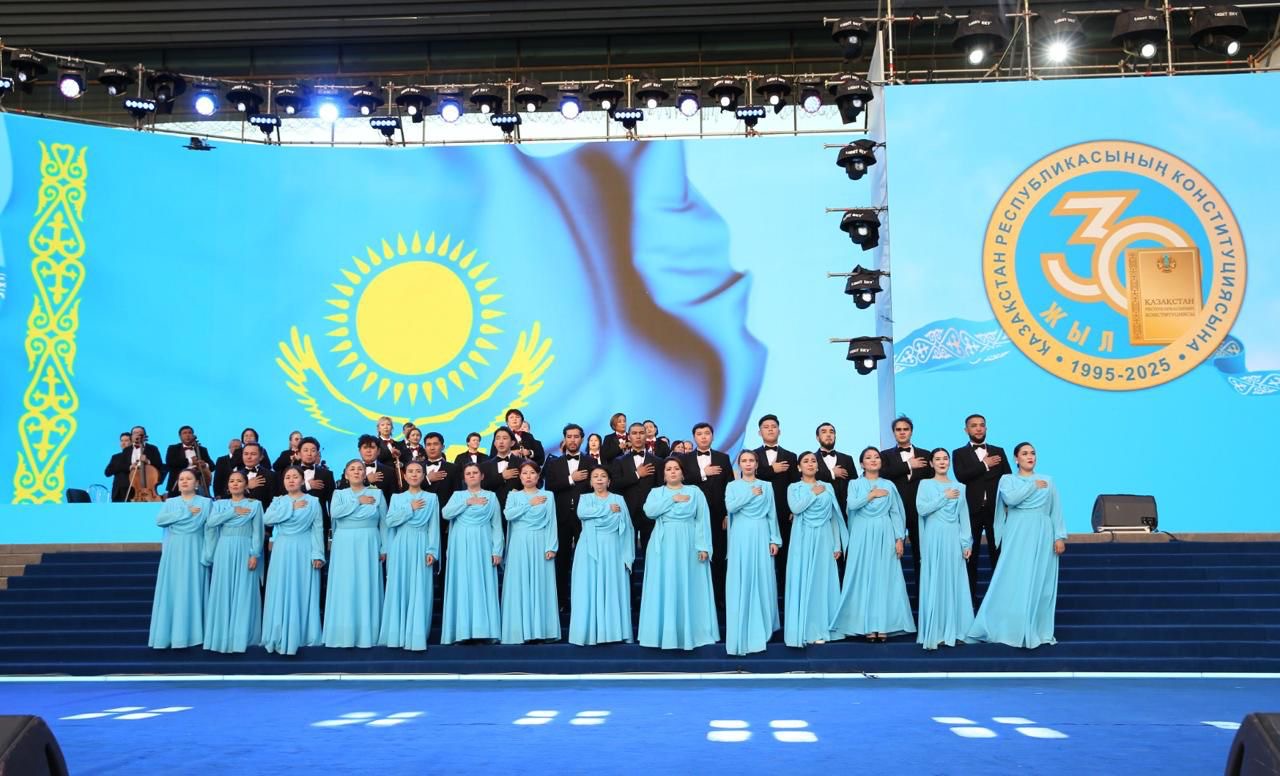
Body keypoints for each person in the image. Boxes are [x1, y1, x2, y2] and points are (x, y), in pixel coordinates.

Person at [968, 443, 1067, 649]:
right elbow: (1011, 500)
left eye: (1033, 453)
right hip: (1017, 531)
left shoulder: (1049, 480)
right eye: (1025, 453)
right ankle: (1008, 628)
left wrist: (1058, 537)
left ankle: (1036, 629)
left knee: (1040, 580)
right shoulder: (1007, 480)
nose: (1030, 456)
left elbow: (1055, 510)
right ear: (1016, 458)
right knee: (1014, 576)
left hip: (1042, 532)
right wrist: (1032, 486)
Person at [831, 448, 915, 642]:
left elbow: (896, 512)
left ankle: (883, 625)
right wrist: (872, 495)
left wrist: (899, 538)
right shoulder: (855, 484)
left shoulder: (889, 485)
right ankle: (866, 626)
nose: (873, 460)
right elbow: (852, 505)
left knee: (884, 578)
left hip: (885, 533)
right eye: (868, 458)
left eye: (876, 457)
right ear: (862, 464)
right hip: (861, 533)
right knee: (862, 577)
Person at [638, 459, 719, 650]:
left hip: (689, 543)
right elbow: (649, 511)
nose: (673, 472)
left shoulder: (695, 492)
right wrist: (672, 499)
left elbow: (702, 519)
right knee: (664, 584)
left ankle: (691, 632)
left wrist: (703, 547)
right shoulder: (656, 492)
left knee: (689, 584)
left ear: (683, 473)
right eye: (669, 469)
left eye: (676, 469)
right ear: (664, 474)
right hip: (662, 544)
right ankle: (663, 634)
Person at [784, 452, 847, 647]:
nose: (810, 464)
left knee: (822, 581)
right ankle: (806, 630)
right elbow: (796, 508)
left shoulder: (828, 486)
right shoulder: (793, 487)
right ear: (799, 467)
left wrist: (837, 544)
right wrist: (813, 493)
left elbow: (833, 516)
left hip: (825, 537)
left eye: (813, 461)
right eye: (806, 461)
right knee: (804, 580)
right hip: (802, 538)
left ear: (818, 466)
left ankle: (826, 627)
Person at [261, 466, 325, 655]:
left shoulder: (313, 502)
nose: (291, 480)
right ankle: (279, 634)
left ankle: (303, 634)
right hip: (282, 549)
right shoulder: (278, 501)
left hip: (304, 548)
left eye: (295, 477)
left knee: (301, 588)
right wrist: (291, 507)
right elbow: (267, 519)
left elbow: (317, 528)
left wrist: (318, 554)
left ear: (302, 480)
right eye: (287, 477)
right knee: (281, 588)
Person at [324, 459, 388, 648]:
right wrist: (358, 501)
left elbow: (384, 523)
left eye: (360, 469)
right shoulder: (339, 494)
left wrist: (385, 547)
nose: (356, 472)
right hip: (344, 543)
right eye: (352, 469)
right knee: (345, 585)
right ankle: (343, 633)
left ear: (365, 473)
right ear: (346, 474)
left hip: (369, 542)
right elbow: (335, 513)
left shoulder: (377, 493)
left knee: (366, 583)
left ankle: (367, 633)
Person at [915, 448, 974, 650]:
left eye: (945, 459)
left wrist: (966, 543)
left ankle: (957, 630)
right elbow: (922, 509)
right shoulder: (925, 484)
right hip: (933, 537)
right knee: (936, 580)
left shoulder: (960, 487)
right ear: (931, 463)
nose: (942, 462)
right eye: (938, 459)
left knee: (954, 580)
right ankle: (936, 631)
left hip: (953, 537)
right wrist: (944, 497)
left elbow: (964, 516)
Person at [724, 450, 782, 656]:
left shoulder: (767, 486)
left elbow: (771, 514)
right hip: (740, 534)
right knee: (742, 578)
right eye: (744, 461)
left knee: (763, 577)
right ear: (739, 464)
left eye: (751, 460)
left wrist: (774, 539)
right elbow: (731, 507)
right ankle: (743, 626)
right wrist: (750, 494)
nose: (748, 464)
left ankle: (765, 626)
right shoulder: (732, 486)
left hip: (761, 532)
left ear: (757, 464)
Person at [379, 461, 441, 652]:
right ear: (404, 476)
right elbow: (390, 521)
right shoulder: (397, 498)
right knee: (400, 586)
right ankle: (396, 634)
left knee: (420, 587)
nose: (414, 474)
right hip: (400, 544)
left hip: (421, 543)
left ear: (423, 475)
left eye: (418, 471)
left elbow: (434, 526)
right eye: (410, 471)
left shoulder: (432, 498)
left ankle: (416, 635)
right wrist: (409, 508)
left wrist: (432, 550)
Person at [570, 467, 635, 646]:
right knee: (589, 587)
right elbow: (582, 513)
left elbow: (628, 527)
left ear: (609, 481)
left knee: (612, 587)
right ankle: (589, 633)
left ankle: (614, 632)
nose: (599, 479)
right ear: (591, 482)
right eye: (595, 477)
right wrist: (607, 509)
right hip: (589, 549)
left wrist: (627, 555)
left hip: (614, 549)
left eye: (603, 476)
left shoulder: (619, 499)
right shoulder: (585, 499)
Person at [952, 414, 1013, 603]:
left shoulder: (998, 451)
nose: (978, 428)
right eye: (974, 425)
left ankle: (999, 599)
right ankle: (969, 600)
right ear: (966, 430)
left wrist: (1008, 506)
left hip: (995, 511)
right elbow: (961, 476)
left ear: (986, 428)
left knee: (998, 555)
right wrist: (984, 465)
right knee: (971, 556)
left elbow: (1008, 478)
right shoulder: (958, 453)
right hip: (971, 511)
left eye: (981, 425)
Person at [148, 469, 212, 649]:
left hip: (196, 548)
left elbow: (210, 530)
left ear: (197, 483)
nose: (184, 481)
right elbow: (160, 520)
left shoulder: (206, 503)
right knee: (174, 588)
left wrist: (208, 554)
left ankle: (195, 634)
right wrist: (185, 512)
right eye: (181, 479)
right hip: (174, 550)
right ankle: (171, 635)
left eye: (189, 479)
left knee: (193, 587)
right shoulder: (170, 502)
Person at [440, 462, 504, 644]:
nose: (472, 476)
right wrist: (467, 502)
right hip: (460, 545)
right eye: (468, 473)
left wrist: (497, 550)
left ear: (482, 476)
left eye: (475, 472)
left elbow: (496, 525)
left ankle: (482, 631)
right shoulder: (457, 496)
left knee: (481, 583)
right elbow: (446, 513)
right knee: (462, 583)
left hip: (483, 543)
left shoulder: (491, 496)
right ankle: (461, 632)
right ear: (464, 478)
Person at [203, 471, 264, 654]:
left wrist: (254, 554)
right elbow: (210, 523)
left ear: (246, 485)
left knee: (244, 590)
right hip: (224, 549)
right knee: (223, 589)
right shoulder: (219, 504)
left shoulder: (255, 505)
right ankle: (221, 637)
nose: (235, 484)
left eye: (239, 481)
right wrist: (233, 512)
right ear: (228, 486)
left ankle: (241, 637)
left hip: (245, 548)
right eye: (231, 481)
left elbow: (258, 532)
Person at [501, 462, 560, 643]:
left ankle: (541, 631)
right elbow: (508, 515)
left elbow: (551, 521)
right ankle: (518, 632)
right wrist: (529, 503)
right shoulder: (513, 495)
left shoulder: (548, 495)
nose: (528, 476)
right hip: (519, 543)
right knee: (519, 583)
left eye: (532, 472)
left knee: (540, 584)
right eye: (524, 473)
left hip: (540, 542)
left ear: (538, 476)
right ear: (520, 476)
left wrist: (551, 546)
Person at [680, 422, 734, 608]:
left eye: (707, 433)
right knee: (695, 555)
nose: (703, 437)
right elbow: (681, 481)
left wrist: (727, 513)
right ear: (694, 437)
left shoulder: (723, 458)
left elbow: (729, 486)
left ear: (712, 436)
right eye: (699, 433)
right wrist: (704, 473)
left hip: (719, 515)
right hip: (692, 515)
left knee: (719, 556)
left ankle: (719, 598)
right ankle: (697, 599)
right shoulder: (684, 459)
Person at [879, 415, 934, 599]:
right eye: (898, 429)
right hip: (894, 511)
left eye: (906, 429)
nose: (902, 432)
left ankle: (922, 597)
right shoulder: (885, 455)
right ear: (893, 433)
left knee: (922, 554)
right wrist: (908, 465)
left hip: (921, 511)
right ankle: (894, 599)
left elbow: (933, 481)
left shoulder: (926, 454)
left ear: (911, 431)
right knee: (892, 554)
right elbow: (883, 474)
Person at [544, 423, 594, 608]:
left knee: (586, 560)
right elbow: (550, 487)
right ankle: (561, 601)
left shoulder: (591, 462)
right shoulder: (554, 463)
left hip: (585, 518)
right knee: (561, 561)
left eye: (576, 436)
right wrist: (571, 479)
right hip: (561, 517)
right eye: (569, 436)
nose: (572, 440)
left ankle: (585, 601)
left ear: (582, 439)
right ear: (564, 439)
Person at [752, 413, 798, 593]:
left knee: (784, 554)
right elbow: (749, 477)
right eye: (766, 427)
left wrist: (793, 509)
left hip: (784, 512)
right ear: (759, 432)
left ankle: (784, 594)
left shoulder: (791, 456)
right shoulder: (752, 455)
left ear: (779, 430)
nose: (770, 429)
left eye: (773, 426)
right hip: (758, 512)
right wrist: (772, 469)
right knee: (762, 555)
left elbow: (795, 485)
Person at [610, 423, 662, 552]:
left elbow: (660, 487)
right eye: (634, 433)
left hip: (650, 513)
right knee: (626, 553)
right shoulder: (619, 461)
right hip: (626, 512)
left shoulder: (658, 461)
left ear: (646, 435)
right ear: (629, 437)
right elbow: (615, 485)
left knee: (650, 552)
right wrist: (637, 474)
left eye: (641, 433)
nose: (638, 436)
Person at [106, 426, 165, 502]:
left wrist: (148, 461)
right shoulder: (126, 450)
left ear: (144, 436)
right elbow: (122, 466)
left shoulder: (153, 448)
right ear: (131, 437)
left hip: (148, 487)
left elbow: (159, 465)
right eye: (134, 433)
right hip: (130, 487)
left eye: (140, 433)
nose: (137, 435)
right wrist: (130, 466)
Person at [813, 422, 857, 514]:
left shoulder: (847, 459)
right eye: (824, 432)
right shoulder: (811, 459)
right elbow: (808, 480)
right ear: (817, 437)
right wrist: (832, 473)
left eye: (831, 432)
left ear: (835, 436)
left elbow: (854, 484)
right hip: (819, 509)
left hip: (845, 509)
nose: (828, 435)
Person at [343, 434, 398, 504]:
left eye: (372, 447)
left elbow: (393, 499)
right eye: (365, 447)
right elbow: (342, 490)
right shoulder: (349, 470)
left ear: (378, 451)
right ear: (359, 451)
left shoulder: (389, 471)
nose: (368, 450)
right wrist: (366, 480)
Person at [482, 426, 525, 510]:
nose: (501, 442)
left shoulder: (522, 463)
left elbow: (533, 486)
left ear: (512, 443)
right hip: (492, 510)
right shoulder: (485, 465)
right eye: (498, 438)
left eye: (505, 438)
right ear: (494, 443)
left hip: (517, 509)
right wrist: (501, 477)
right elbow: (481, 487)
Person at [164, 426, 213, 497]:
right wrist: (190, 461)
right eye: (184, 433)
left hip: (199, 483)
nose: (187, 435)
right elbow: (170, 463)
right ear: (180, 436)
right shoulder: (173, 448)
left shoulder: (201, 449)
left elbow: (212, 466)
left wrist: (204, 465)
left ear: (193, 435)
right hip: (177, 484)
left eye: (190, 433)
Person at [234, 442, 275, 507]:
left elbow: (274, 501)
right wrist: (246, 487)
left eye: (253, 454)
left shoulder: (271, 475)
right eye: (246, 454)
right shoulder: (235, 475)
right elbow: (226, 497)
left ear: (261, 457)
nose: (249, 457)